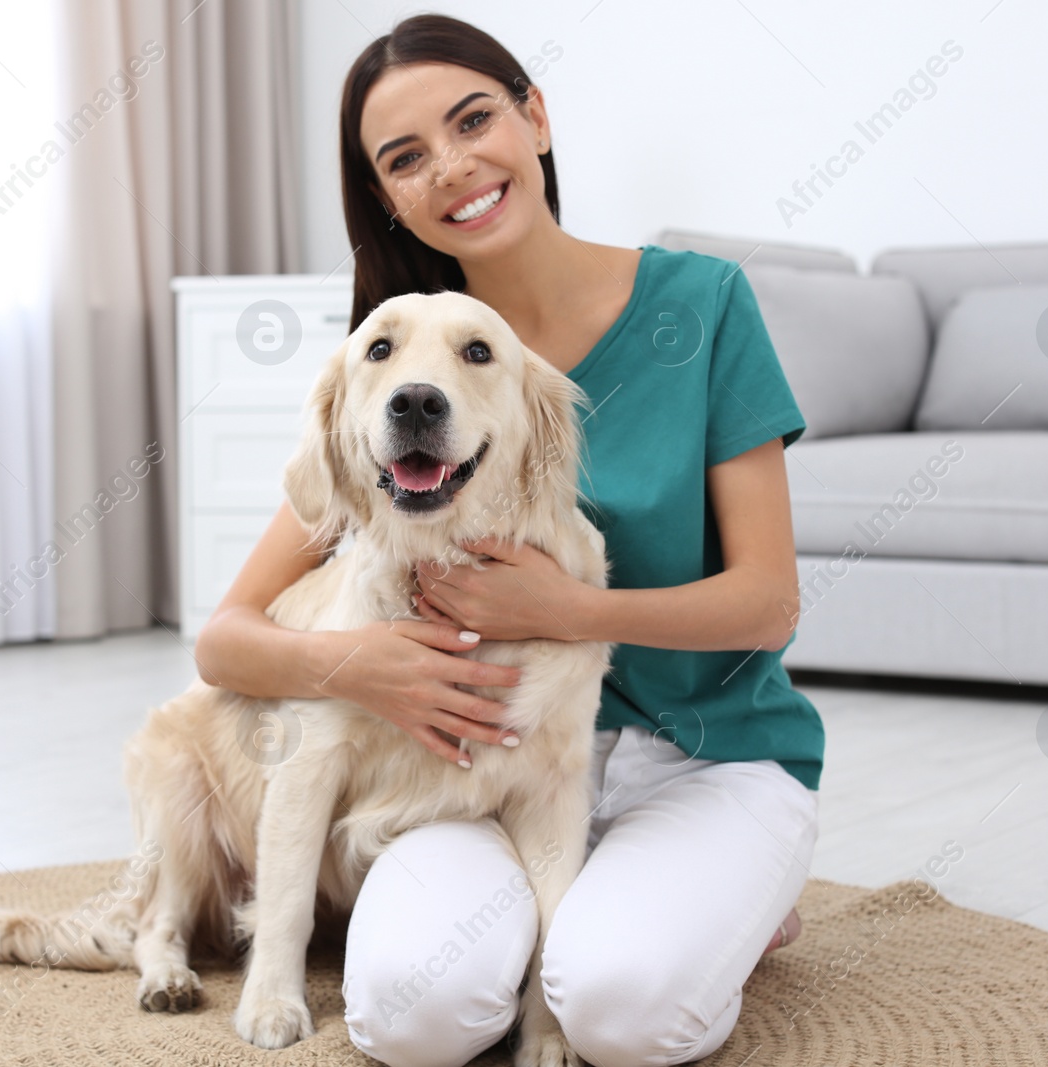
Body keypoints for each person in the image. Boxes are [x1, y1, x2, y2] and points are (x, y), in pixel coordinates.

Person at [194, 13, 824, 1067]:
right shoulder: (398, 383)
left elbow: (768, 601)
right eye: (404, 158)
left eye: (473, 118)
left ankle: (728, 900)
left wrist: (569, 612)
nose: (451, 166)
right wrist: (357, 666)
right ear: (389, 197)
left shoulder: (702, 305)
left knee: (617, 1011)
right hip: (473, 771)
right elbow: (225, 640)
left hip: (699, 755)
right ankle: (609, 913)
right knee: (412, 1013)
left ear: (534, 117)